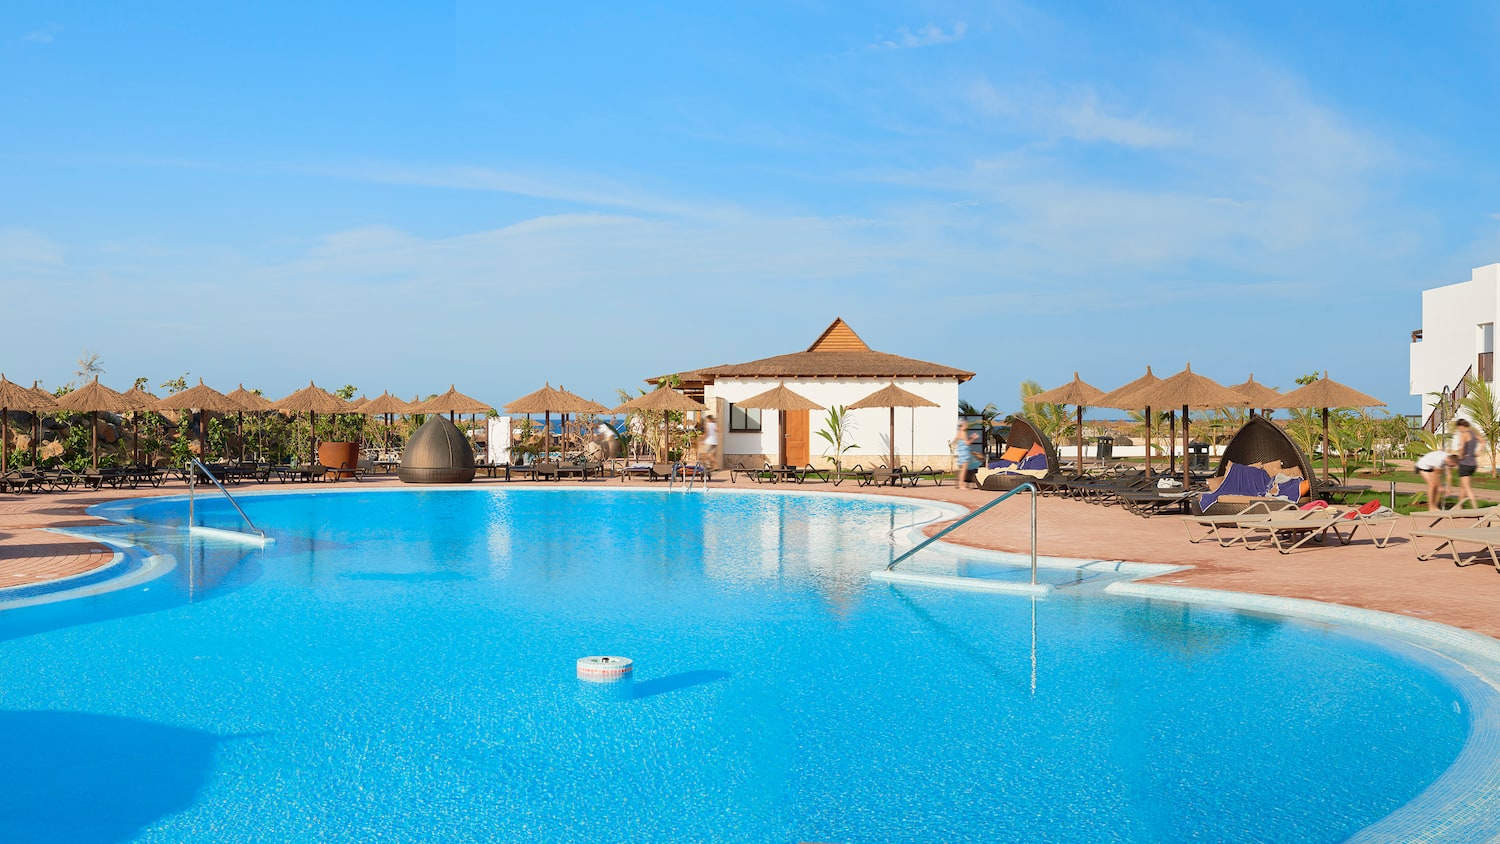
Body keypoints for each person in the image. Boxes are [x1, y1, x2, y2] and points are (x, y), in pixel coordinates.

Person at [1454, 419, 1484, 509]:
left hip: (1465, 463)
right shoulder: (1473, 433)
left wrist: (1459, 457)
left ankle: (1475, 507)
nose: (1458, 430)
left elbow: (1461, 448)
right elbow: (1483, 441)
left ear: (1462, 426)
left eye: (1458, 428)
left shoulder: (1464, 435)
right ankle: (1459, 507)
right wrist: (1478, 451)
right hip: (1473, 464)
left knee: (1467, 487)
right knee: (1463, 486)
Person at [953, 423, 981, 489]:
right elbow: (967, 443)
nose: (967, 426)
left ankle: (960, 484)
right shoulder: (963, 433)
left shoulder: (959, 432)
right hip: (965, 453)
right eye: (965, 425)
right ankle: (961, 485)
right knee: (964, 470)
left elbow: (955, 441)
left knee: (962, 470)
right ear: (963, 426)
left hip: (961, 453)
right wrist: (973, 438)